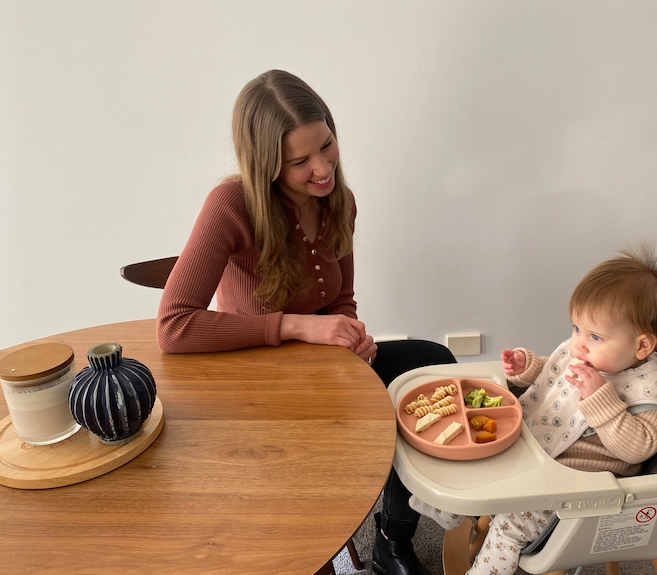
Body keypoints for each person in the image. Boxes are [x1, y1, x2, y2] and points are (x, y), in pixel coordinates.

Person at [156, 69, 455, 575]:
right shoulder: (231, 206)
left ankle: (393, 538)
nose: (323, 169)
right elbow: (173, 327)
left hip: (323, 365)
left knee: (430, 366)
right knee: (309, 483)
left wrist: (350, 336)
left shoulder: (340, 201)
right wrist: (296, 327)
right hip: (257, 380)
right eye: (300, 161)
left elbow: (341, 297)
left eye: (327, 145)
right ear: (266, 164)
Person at [409, 244, 657, 575]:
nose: (578, 343)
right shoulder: (588, 355)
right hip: (538, 451)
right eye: (576, 328)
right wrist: (528, 367)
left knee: (509, 527)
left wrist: (599, 397)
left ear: (642, 345)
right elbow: (552, 377)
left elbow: (638, 448)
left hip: (571, 485)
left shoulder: (652, 389)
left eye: (595, 336)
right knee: (478, 459)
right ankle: (450, 510)